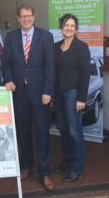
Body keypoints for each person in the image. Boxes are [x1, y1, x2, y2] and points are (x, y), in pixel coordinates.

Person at [1, 4, 55, 190]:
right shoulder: (11, 37)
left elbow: (50, 67)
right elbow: (5, 63)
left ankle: (45, 171)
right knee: (22, 131)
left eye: (29, 16)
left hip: (41, 94)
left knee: (41, 132)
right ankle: (27, 165)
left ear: (34, 17)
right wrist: (8, 79)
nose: (26, 19)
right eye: (22, 16)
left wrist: (48, 91)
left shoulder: (45, 37)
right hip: (19, 93)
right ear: (18, 18)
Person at [53, 14, 90, 182]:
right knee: (63, 129)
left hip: (73, 94)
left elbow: (85, 75)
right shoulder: (56, 47)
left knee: (75, 132)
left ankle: (77, 168)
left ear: (76, 28)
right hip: (59, 94)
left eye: (72, 25)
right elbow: (52, 72)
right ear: (61, 27)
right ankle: (67, 162)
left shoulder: (82, 47)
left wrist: (81, 98)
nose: (69, 28)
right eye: (66, 25)